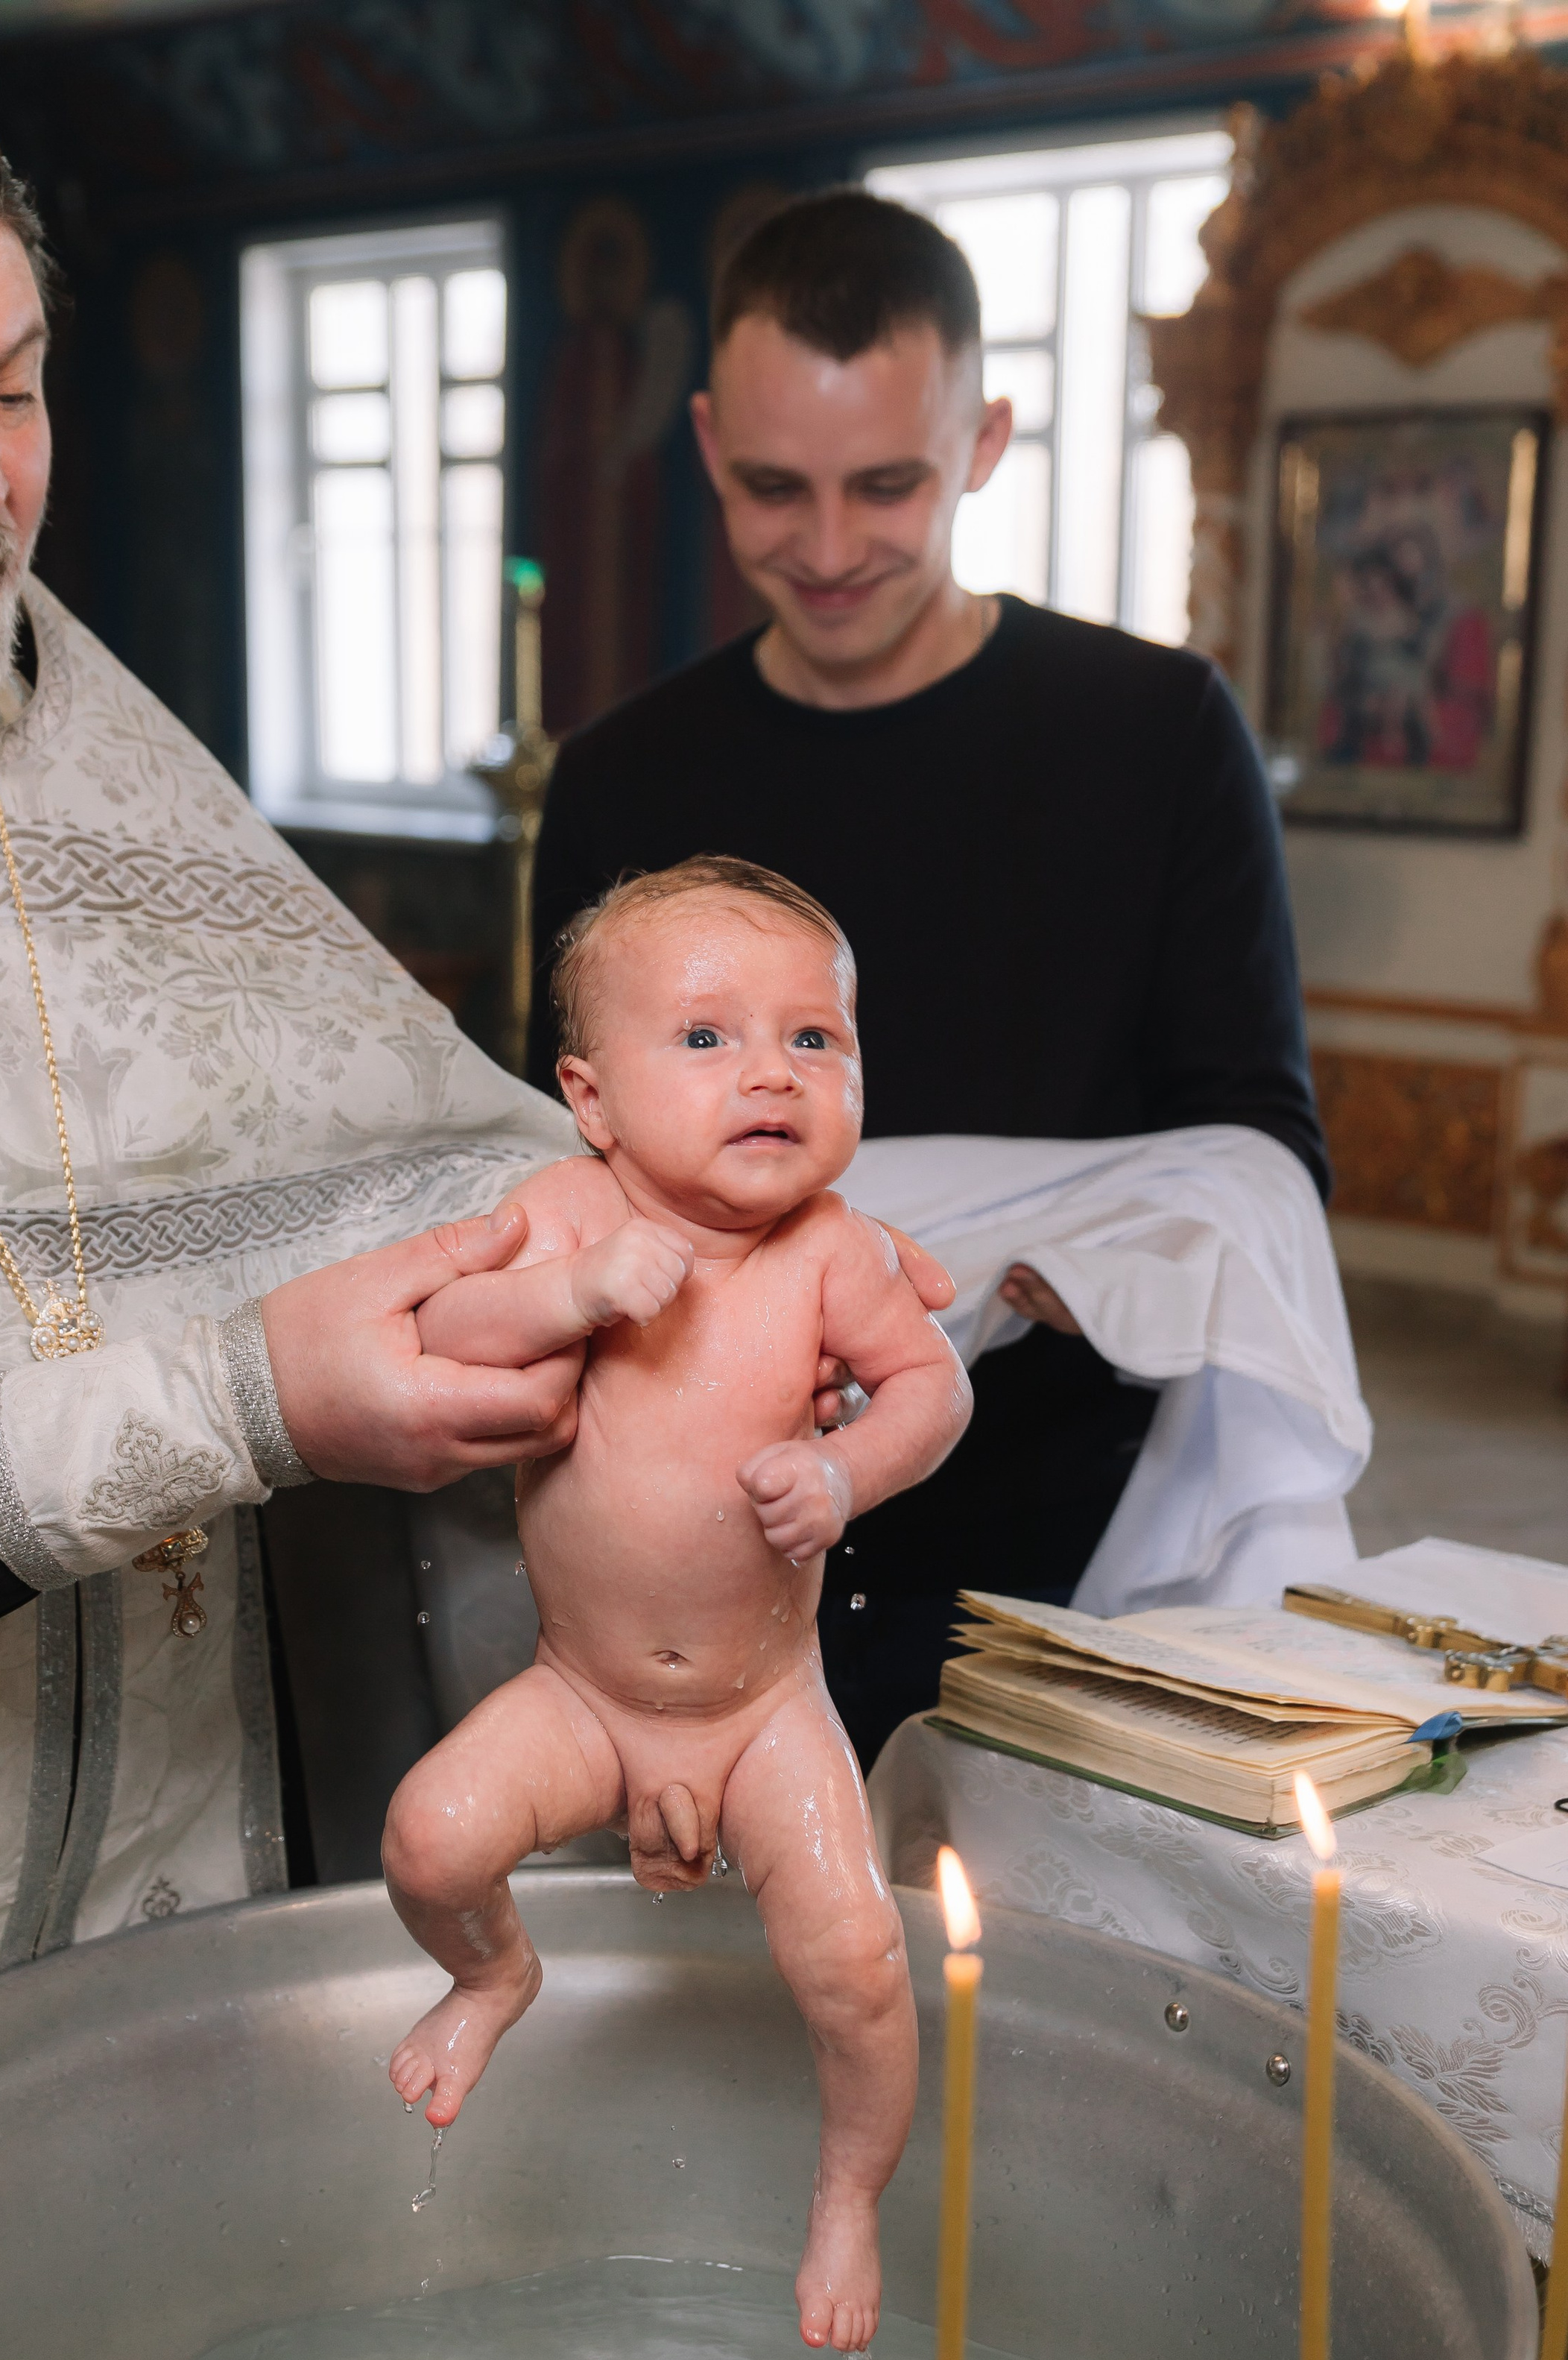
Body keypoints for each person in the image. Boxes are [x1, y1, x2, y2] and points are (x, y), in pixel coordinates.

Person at [0, 40, 596, 2360]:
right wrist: (237, 1400)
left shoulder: (97, 754)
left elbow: (405, 1173)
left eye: (12, 386)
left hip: (199, 1854)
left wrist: (676, 1279)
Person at [531, 188, 1329, 1770]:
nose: (825, 552)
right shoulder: (624, 776)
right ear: (704, 446)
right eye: (773, 489)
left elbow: (1251, 1146)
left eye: (884, 484)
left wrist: (1072, 1283)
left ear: (982, 439)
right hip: (701, 1514)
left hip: (1056, 1511)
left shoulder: (1156, 732)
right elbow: (565, 1145)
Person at [382, 859, 972, 2353]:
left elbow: (932, 1387)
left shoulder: (834, 1251)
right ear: (590, 1099)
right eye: (703, 1039)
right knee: (430, 1838)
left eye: (812, 1039)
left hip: (762, 1708)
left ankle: (844, 2196)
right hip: (579, 1692)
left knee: (851, 1954)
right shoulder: (561, 1209)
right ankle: (493, 1971)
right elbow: (447, 1324)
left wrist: (842, 1478)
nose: (768, 1069)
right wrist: (571, 1294)